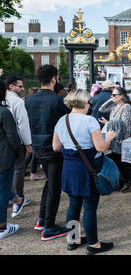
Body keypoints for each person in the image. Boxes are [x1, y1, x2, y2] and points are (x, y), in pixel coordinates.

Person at [52, 89, 117, 254]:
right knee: (89, 207)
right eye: (90, 102)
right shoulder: (90, 121)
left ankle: (72, 240)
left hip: (69, 167)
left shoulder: (62, 120)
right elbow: (101, 147)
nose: (90, 105)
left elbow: (56, 147)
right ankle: (94, 244)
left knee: (73, 204)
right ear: (83, 102)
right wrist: (108, 137)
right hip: (87, 168)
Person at [25, 65, 71, 239]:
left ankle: (43, 219)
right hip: (53, 146)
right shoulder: (58, 100)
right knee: (54, 186)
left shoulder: (29, 99)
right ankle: (49, 226)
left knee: (50, 183)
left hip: (38, 145)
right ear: (54, 79)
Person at [5, 76, 33, 218]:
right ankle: (17, 197)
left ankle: (10, 196)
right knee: (18, 169)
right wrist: (28, 143)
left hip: (3, 141)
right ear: (10, 86)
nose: (22, 89)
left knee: (7, 170)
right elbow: (23, 124)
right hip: (17, 141)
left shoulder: (6, 100)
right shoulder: (16, 101)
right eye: (20, 86)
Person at [99, 87, 131, 192]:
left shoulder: (126, 107)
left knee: (121, 160)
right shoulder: (114, 106)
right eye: (112, 95)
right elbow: (102, 109)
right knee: (115, 159)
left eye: (114, 95)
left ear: (122, 96)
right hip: (113, 137)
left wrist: (108, 123)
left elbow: (125, 124)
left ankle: (127, 180)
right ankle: (121, 181)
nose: (112, 97)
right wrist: (110, 100)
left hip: (121, 138)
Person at [0, 81, 22, 239]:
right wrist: (19, 151)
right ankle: (2, 226)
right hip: (4, 156)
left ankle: (15, 198)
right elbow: (12, 136)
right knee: (2, 189)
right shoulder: (4, 112)